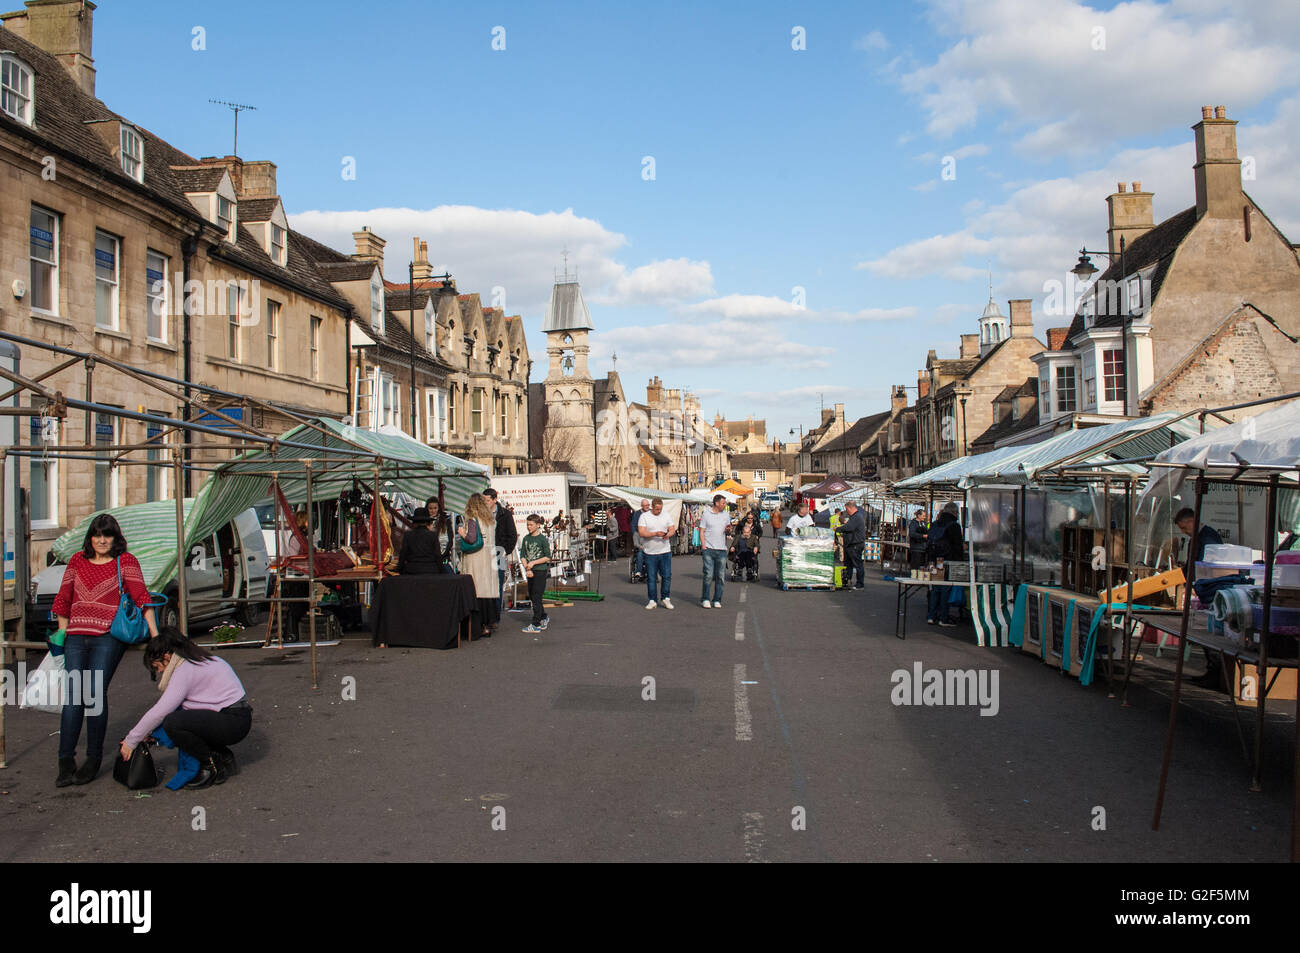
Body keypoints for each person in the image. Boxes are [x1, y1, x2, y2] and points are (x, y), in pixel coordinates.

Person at [52, 513, 159, 787]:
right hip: (76, 636)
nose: (101, 540)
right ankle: (65, 761)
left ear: (115, 538)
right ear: (90, 537)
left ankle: (93, 759)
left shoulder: (126, 561)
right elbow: (64, 598)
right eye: (97, 535)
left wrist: (157, 638)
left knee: (95, 694)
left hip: (108, 638)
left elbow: (142, 597)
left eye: (107, 535)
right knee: (74, 697)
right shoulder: (77, 560)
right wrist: (63, 634)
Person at [119, 627, 251, 789]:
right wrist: (150, 734)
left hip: (232, 721)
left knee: (173, 722)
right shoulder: (200, 659)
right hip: (237, 717)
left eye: (157, 666)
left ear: (167, 657)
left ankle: (209, 765)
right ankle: (223, 756)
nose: (159, 672)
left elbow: (160, 712)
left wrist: (131, 741)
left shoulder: (185, 670)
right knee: (181, 717)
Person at [1175, 507, 1226, 688]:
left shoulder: (1207, 537)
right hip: (1203, 588)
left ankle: (1215, 674)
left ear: (1191, 521)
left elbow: (1205, 565)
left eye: (1184, 527)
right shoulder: (1199, 537)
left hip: (1210, 590)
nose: (1183, 531)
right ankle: (1211, 672)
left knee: (1210, 633)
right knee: (1205, 633)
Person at [458, 493, 500, 638]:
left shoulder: (472, 519)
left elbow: (471, 539)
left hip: (476, 559)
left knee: (476, 592)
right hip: (489, 557)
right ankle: (489, 623)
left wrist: (462, 533)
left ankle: (479, 626)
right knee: (487, 593)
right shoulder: (490, 520)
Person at [925, 502, 965, 626]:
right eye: (957, 512)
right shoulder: (954, 526)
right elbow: (958, 547)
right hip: (948, 561)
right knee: (945, 589)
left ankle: (931, 616)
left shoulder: (935, 524)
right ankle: (943, 618)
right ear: (954, 512)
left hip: (933, 560)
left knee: (935, 588)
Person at [484, 488, 518, 613]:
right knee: (485, 584)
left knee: (498, 584)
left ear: (494, 500)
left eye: (487, 500)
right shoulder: (482, 514)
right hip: (485, 552)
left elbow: (512, 535)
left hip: (499, 551)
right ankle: (487, 614)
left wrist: (505, 551)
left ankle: (495, 616)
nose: (485, 502)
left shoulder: (505, 514)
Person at [638, 498, 676, 609]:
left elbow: (672, 528)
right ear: (652, 507)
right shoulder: (644, 516)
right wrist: (655, 534)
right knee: (651, 577)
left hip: (665, 551)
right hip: (650, 552)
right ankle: (652, 600)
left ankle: (665, 598)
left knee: (667, 576)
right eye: (657, 509)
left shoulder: (666, 515)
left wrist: (668, 534)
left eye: (660, 509)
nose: (659, 511)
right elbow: (642, 532)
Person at [519, 515, 551, 636]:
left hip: (540, 570)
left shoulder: (542, 539)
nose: (528, 527)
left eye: (531, 524)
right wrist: (527, 566)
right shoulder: (526, 538)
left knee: (537, 596)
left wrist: (533, 563)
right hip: (530, 571)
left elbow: (547, 557)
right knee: (532, 596)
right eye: (527, 524)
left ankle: (536, 623)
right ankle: (543, 616)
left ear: (538, 525)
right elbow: (522, 554)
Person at [699, 494, 732, 608]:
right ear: (717, 503)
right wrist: (703, 546)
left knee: (721, 576)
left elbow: (728, 532)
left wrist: (728, 530)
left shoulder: (726, 515)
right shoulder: (706, 514)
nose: (725, 504)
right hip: (708, 548)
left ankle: (717, 599)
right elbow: (702, 531)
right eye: (723, 503)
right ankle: (706, 598)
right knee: (708, 574)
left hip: (721, 549)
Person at [395, 507, 444, 575]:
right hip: (430, 570)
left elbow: (403, 554)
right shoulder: (433, 535)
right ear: (427, 522)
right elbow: (438, 555)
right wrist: (441, 570)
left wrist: (399, 569)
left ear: (414, 522)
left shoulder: (408, 535)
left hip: (412, 570)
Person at [836, 500, 867, 589]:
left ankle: (860, 584)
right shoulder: (854, 517)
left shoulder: (857, 517)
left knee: (857, 564)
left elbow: (849, 527)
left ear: (850, 508)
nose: (847, 511)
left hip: (855, 544)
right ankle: (847, 580)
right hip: (851, 544)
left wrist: (839, 528)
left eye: (847, 509)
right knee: (848, 563)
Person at [424, 496, 457, 573]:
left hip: (443, 558)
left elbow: (450, 540)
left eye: (435, 508)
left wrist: (443, 554)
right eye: (430, 508)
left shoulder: (445, 521)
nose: (433, 511)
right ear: (427, 509)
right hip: (428, 559)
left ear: (439, 508)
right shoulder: (424, 522)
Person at [629, 498, 650, 581]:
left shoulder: (651, 513)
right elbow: (633, 525)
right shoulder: (637, 514)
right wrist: (635, 533)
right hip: (640, 541)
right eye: (645, 505)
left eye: (648, 505)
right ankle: (638, 571)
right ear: (642, 506)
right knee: (640, 553)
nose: (647, 507)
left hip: (649, 542)